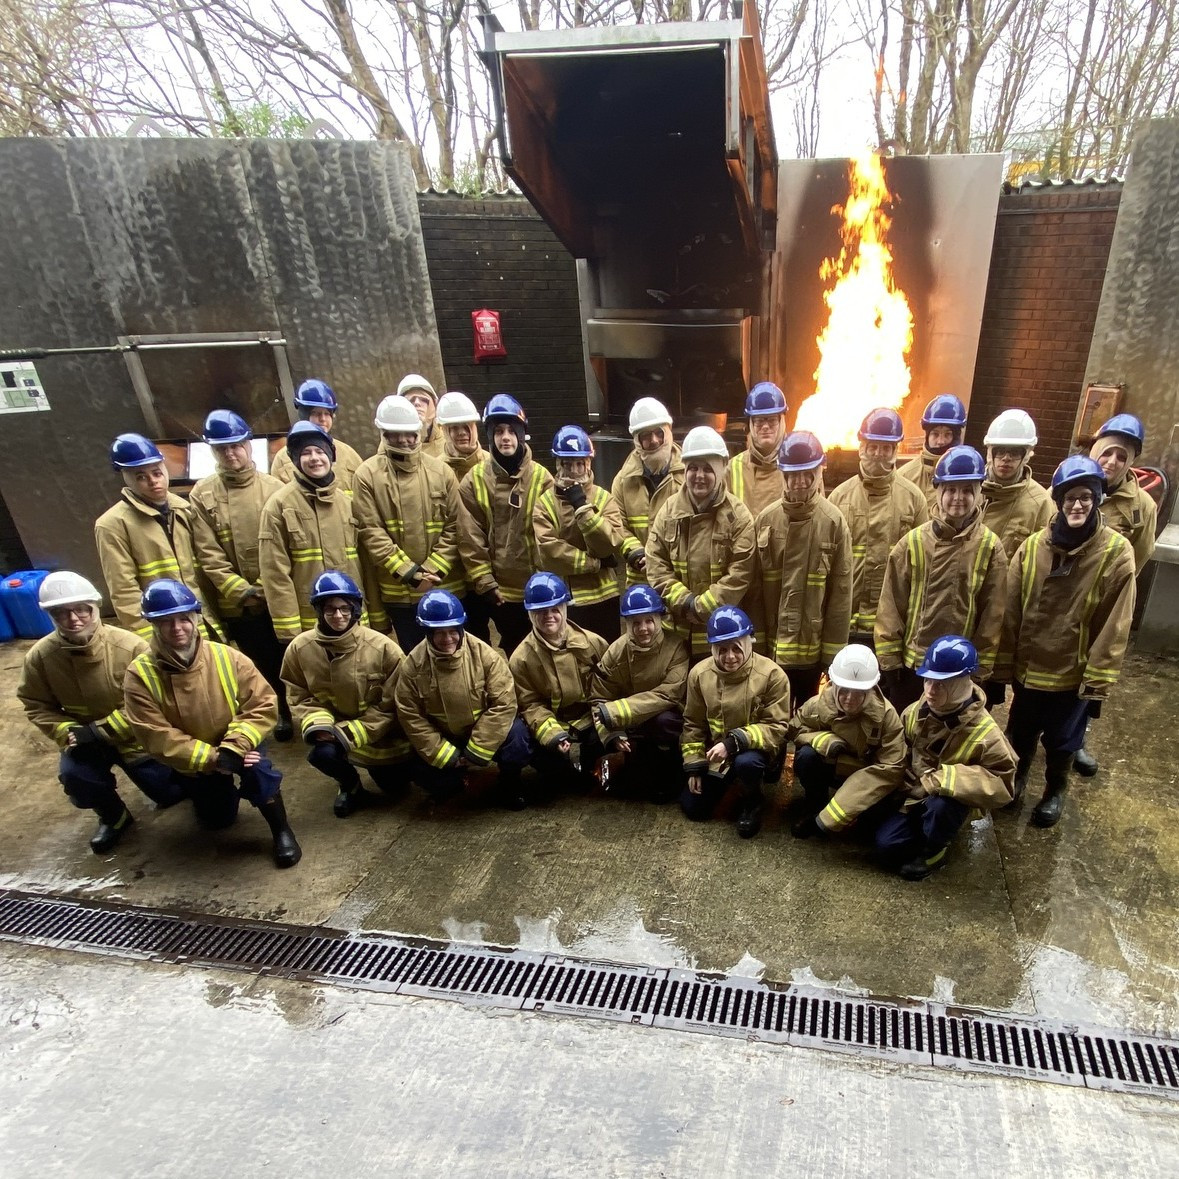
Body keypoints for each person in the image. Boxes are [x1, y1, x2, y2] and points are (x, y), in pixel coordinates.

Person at [995, 457, 1136, 826]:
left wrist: (1098, 677)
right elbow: (1010, 609)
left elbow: (1115, 624)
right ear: (1059, 501)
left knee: (1062, 740)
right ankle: (1018, 779)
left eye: (1086, 497)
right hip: (1029, 671)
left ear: (1097, 500)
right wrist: (1005, 663)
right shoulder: (1032, 549)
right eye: (1070, 497)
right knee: (1020, 732)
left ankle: (1055, 789)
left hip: (1072, 675)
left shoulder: (1115, 554)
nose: (1077, 505)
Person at [122, 579, 301, 868]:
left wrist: (235, 748)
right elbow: (154, 734)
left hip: (239, 747)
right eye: (167, 621)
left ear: (196, 617)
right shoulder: (139, 674)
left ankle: (281, 830)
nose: (178, 627)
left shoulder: (227, 657)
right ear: (153, 625)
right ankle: (212, 793)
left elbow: (263, 704)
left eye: (184, 618)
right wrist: (212, 759)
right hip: (195, 759)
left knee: (258, 771)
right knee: (218, 821)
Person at [17, 572, 184, 854]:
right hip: (82, 742)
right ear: (51, 616)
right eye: (62, 613)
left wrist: (101, 730)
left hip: (135, 739)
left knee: (169, 793)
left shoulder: (131, 647)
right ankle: (113, 816)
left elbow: (156, 700)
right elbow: (35, 703)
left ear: (95, 606)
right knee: (77, 778)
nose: (73, 619)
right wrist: (64, 732)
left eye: (81, 609)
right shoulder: (40, 657)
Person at [875, 445, 1007, 711]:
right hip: (914, 667)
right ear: (937, 491)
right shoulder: (912, 543)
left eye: (967, 490)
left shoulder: (990, 548)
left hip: (959, 669)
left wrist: (980, 669)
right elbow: (891, 606)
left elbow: (992, 617)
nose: (958, 498)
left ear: (980, 493)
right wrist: (890, 661)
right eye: (951, 490)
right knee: (906, 738)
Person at [874, 635, 1015, 880]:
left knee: (943, 806)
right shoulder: (916, 711)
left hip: (947, 802)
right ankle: (920, 827)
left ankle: (934, 850)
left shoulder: (987, 734)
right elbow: (900, 747)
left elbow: (1002, 784)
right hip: (913, 793)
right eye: (928, 680)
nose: (930, 689)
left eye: (941, 682)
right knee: (885, 848)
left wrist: (943, 780)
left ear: (965, 681)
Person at [189, 410, 291, 740]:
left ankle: (299, 706)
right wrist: (242, 592)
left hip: (276, 596)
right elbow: (207, 554)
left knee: (289, 656)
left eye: (236, 445)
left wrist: (265, 587)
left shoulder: (275, 488)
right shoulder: (202, 496)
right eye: (222, 449)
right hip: (240, 604)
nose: (231, 453)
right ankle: (278, 711)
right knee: (256, 661)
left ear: (249, 445)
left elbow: (284, 546)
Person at [280, 570, 410, 817]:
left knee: (395, 787)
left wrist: (347, 734)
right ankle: (350, 787)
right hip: (332, 732)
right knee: (322, 756)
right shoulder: (300, 648)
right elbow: (298, 695)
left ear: (355, 610)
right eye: (329, 609)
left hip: (378, 735)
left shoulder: (382, 647)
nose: (338, 615)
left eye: (344, 608)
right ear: (319, 611)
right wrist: (320, 727)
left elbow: (393, 703)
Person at [394, 589, 533, 809]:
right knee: (420, 771)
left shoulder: (485, 656)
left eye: (453, 631)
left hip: (481, 732)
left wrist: (476, 751)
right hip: (445, 737)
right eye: (439, 633)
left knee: (517, 736)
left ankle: (510, 782)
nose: (447, 639)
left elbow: (504, 704)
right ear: (428, 632)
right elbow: (410, 716)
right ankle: (456, 782)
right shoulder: (413, 666)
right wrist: (446, 755)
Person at [1075, 413, 1158, 776]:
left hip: (1103, 604)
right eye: (1107, 452)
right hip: (1063, 598)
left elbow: (1136, 559)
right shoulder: (1069, 485)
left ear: (1131, 462)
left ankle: (1076, 740)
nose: (1111, 462)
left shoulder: (1142, 508)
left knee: (1091, 670)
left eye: (1122, 456)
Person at [748, 431, 852, 706]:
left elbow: (840, 595)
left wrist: (832, 658)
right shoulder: (766, 520)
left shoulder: (833, 522)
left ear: (820, 471)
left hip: (811, 654)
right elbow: (754, 590)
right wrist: (756, 647)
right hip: (771, 651)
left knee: (808, 723)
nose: (801, 482)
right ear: (782, 474)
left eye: (808, 473)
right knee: (771, 723)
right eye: (793, 475)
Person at [352, 394, 463, 652]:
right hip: (400, 594)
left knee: (454, 654)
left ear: (419, 432)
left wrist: (435, 568)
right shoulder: (367, 476)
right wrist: (410, 573)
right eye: (395, 434)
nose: (403, 440)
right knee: (416, 660)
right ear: (383, 434)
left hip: (445, 585)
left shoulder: (441, 472)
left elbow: (457, 525)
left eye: (409, 434)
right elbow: (371, 532)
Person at [680, 605, 791, 839]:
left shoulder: (772, 675)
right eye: (722, 649)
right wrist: (694, 766)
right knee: (694, 809)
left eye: (736, 648)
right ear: (712, 648)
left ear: (749, 642)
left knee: (748, 763)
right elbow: (693, 724)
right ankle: (728, 780)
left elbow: (776, 727)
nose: (729, 657)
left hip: (753, 749)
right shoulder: (699, 675)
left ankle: (753, 801)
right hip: (717, 754)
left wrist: (733, 743)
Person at [646, 426, 756, 659]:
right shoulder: (668, 511)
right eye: (693, 468)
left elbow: (740, 574)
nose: (699, 475)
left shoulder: (738, 516)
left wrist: (702, 607)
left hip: (721, 637)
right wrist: (684, 602)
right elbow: (655, 562)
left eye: (708, 469)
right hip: (675, 634)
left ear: (721, 469)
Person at [456, 395, 553, 655]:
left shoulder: (542, 478)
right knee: (515, 650)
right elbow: (469, 537)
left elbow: (552, 535)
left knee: (545, 647)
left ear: (522, 434)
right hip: (501, 592)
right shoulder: (474, 480)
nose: (505, 437)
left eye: (512, 430)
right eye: (498, 431)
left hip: (538, 585)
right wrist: (485, 582)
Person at [95, 433, 216, 639]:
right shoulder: (112, 525)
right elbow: (124, 592)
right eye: (141, 476)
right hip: (166, 629)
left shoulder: (184, 509)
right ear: (125, 477)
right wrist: (151, 639)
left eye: (157, 472)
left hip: (201, 622)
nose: (153, 481)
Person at [258, 421, 370, 643]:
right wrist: (290, 633)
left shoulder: (347, 504)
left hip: (353, 618)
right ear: (295, 459)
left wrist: (376, 618)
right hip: (311, 623)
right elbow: (275, 574)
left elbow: (365, 565)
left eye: (320, 451)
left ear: (331, 456)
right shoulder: (278, 506)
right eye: (306, 453)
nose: (315, 458)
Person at [827, 407, 928, 645]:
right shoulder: (839, 498)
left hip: (891, 625)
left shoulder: (914, 499)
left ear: (895, 450)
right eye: (872, 446)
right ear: (861, 447)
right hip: (845, 622)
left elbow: (923, 567)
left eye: (885, 448)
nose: (878, 454)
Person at [788, 644, 905, 839]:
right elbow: (795, 729)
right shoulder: (818, 704)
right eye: (844, 690)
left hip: (866, 776)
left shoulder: (886, 717)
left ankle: (844, 815)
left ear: (871, 690)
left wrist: (832, 816)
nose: (850, 698)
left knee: (870, 831)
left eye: (858, 692)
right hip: (832, 768)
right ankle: (815, 806)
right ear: (834, 685)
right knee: (806, 757)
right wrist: (823, 740)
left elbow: (892, 768)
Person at [509, 572, 608, 795]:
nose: (549, 616)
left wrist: (605, 718)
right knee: (552, 771)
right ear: (530, 614)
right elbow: (529, 705)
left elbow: (610, 686)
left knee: (607, 733)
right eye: (541, 611)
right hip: (553, 722)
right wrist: (553, 736)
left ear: (565, 608)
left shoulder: (592, 643)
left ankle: (592, 763)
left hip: (589, 716)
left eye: (555, 609)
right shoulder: (521, 659)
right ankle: (559, 769)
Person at [591, 584, 689, 801]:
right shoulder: (616, 652)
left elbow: (669, 694)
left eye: (649, 621)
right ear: (627, 624)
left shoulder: (676, 647)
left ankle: (674, 764)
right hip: (630, 723)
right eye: (635, 623)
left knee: (663, 723)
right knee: (632, 786)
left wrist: (618, 711)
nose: (643, 628)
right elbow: (599, 698)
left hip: (665, 719)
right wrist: (612, 734)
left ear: (659, 619)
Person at [533, 425, 626, 641]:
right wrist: (594, 564)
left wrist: (582, 508)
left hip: (605, 597)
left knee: (606, 659)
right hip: (567, 598)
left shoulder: (604, 498)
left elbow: (609, 545)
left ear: (588, 463)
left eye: (579, 463)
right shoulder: (545, 504)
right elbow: (549, 551)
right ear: (558, 464)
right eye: (568, 464)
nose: (574, 471)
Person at [611, 397, 684, 584]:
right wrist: (635, 552)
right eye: (645, 436)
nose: (653, 440)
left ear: (668, 432)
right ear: (636, 440)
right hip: (640, 581)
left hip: (679, 581)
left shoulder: (689, 475)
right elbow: (617, 526)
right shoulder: (622, 481)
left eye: (658, 433)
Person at [979, 410, 1052, 560]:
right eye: (1000, 451)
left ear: (1026, 455)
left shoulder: (1040, 502)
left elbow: (1042, 557)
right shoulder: (971, 488)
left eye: (1014, 452)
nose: (1006, 458)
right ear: (989, 452)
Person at [270, 379, 366, 493]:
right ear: (303, 414)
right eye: (316, 413)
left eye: (327, 414)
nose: (323, 419)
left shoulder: (349, 454)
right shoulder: (283, 459)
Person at [727, 382, 788, 518]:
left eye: (772, 420)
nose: (765, 426)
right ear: (751, 424)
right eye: (759, 421)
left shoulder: (798, 466)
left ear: (782, 421)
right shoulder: (733, 468)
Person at [898, 394, 968, 510]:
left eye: (947, 434)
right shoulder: (904, 476)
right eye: (935, 434)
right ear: (927, 436)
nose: (940, 441)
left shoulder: (967, 477)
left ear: (956, 437)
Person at [397, 373, 444, 458]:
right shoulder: (390, 443)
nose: (417, 403)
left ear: (435, 404)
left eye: (423, 400)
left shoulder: (448, 440)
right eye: (411, 400)